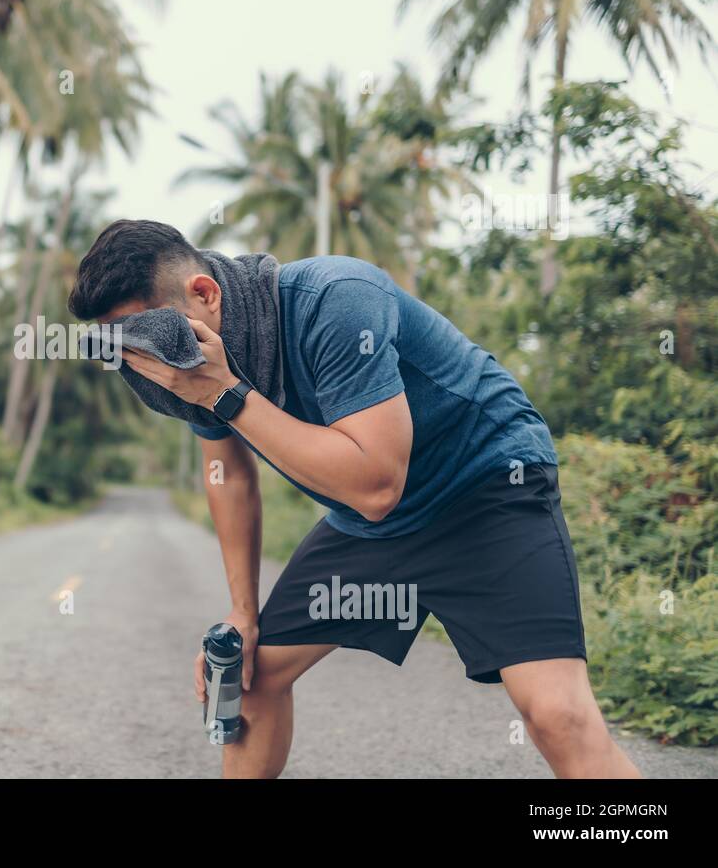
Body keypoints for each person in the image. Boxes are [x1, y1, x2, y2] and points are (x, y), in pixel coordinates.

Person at [68, 218, 640, 779]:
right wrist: (243, 614)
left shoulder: (336, 299)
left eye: (143, 332)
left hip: (486, 487)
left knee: (556, 715)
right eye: (122, 341)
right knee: (252, 675)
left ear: (204, 293)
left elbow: (375, 485)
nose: (143, 355)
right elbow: (229, 474)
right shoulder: (180, 360)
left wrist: (225, 391)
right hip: (372, 525)